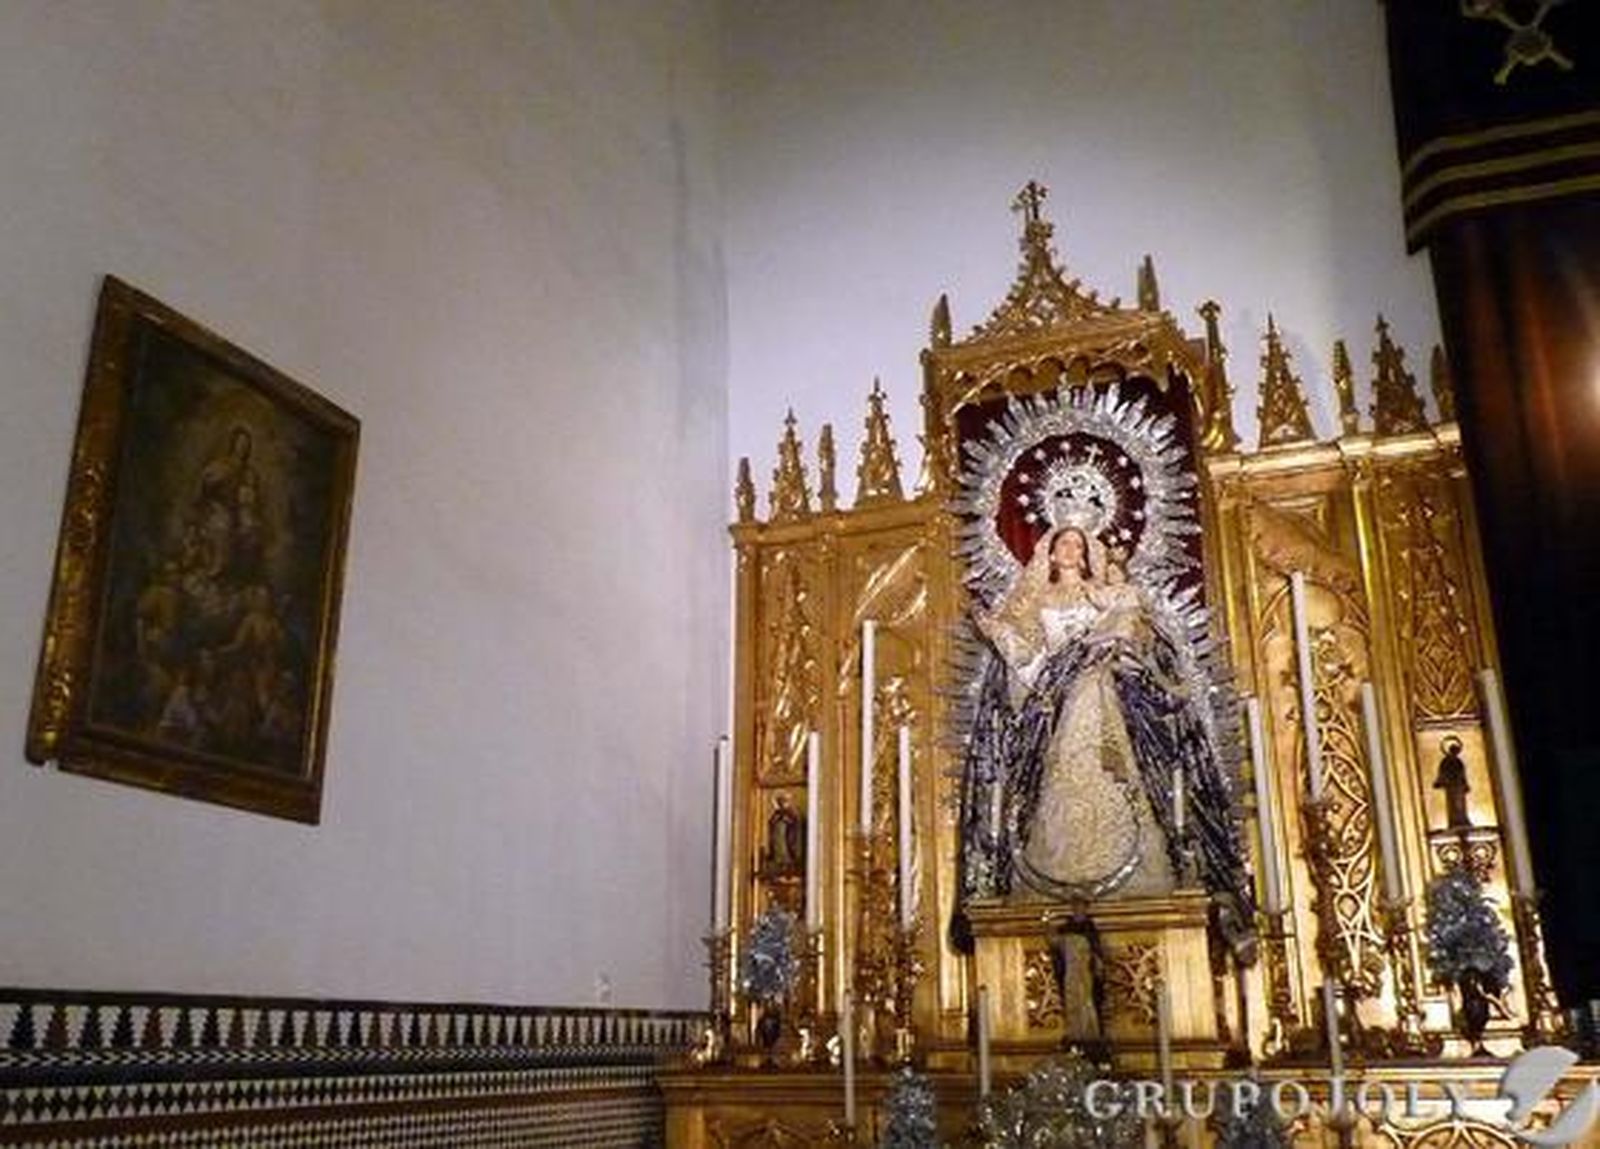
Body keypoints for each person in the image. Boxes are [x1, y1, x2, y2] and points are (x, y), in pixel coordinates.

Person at [962, 524, 1254, 947]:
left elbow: (1135, 633)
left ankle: (1136, 870)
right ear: (1049, 551)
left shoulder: (1105, 592)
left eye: (1076, 544)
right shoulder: (1035, 600)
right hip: (1060, 699)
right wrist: (996, 630)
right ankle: (1060, 869)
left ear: (1085, 553)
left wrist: (1120, 633)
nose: (1068, 549)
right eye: (1061, 542)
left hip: (1104, 692)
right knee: (1062, 773)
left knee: (1119, 765)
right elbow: (1028, 661)